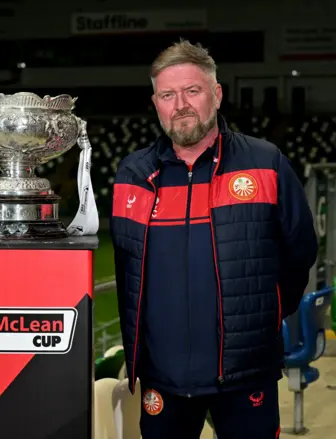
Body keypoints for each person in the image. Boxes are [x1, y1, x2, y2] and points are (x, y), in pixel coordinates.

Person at [110, 40, 318, 439]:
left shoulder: (266, 162)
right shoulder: (133, 174)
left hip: (246, 374)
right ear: (155, 102)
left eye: (192, 91)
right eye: (168, 95)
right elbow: (126, 267)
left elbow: (299, 255)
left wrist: (263, 317)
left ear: (217, 94)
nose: (180, 105)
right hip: (161, 378)